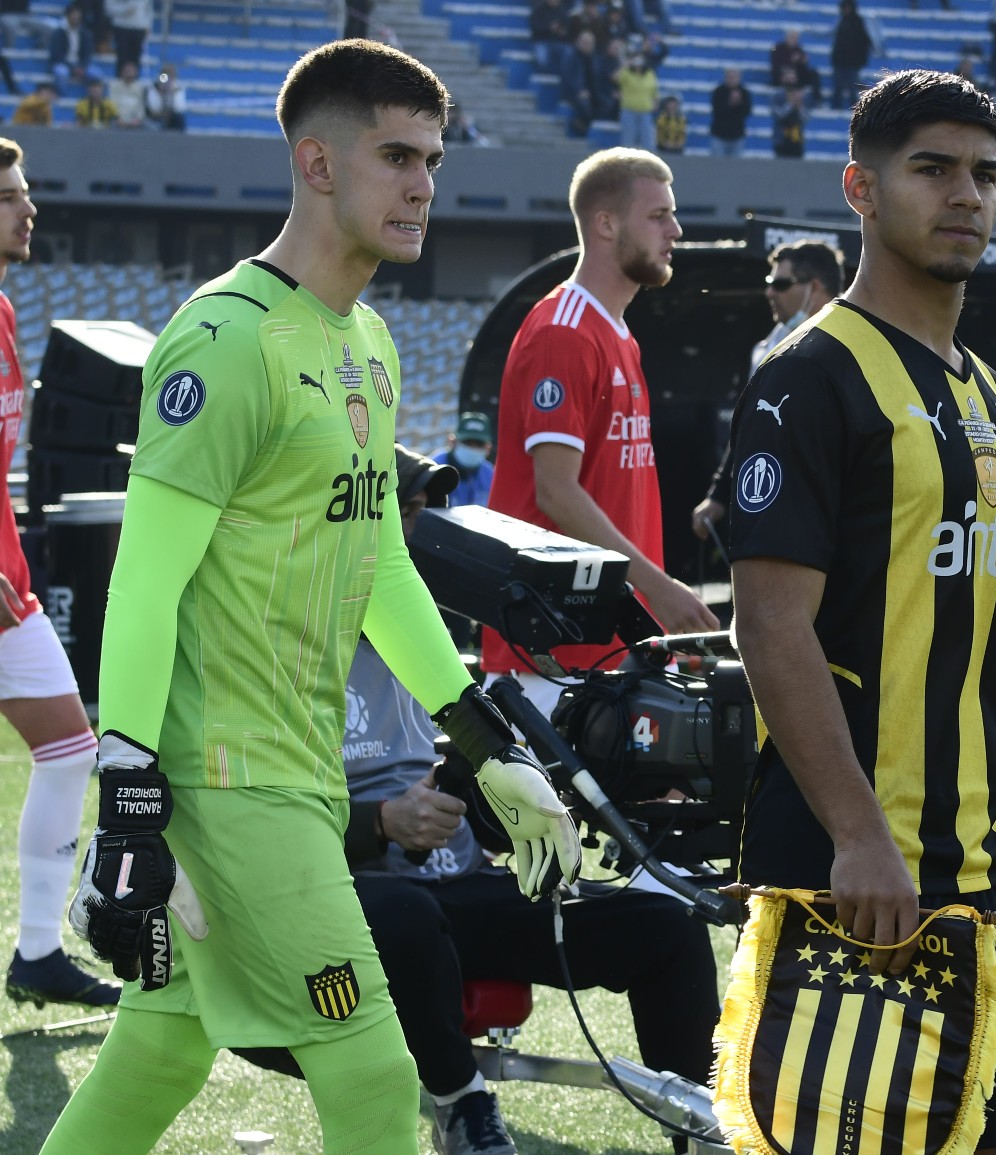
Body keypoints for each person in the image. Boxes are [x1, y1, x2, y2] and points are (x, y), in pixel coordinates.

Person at [41, 42, 577, 1155]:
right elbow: (146, 573)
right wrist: (130, 786)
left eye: (431, 157)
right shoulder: (225, 338)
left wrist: (483, 742)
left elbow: (380, 564)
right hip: (225, 781)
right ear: (316, 163)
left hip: (295, 773)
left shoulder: (369, 346)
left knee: (161, 1047)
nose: (423, 182)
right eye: (394, 155)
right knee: (377, 1074)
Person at [728, 68, 996, 1153]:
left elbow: (973, 633)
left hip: (981, 861)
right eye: (931, 169)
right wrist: (860, 835)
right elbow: (769, 628)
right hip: (856, 863)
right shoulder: (806, 375)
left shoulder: (981, 394)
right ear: (860, 190)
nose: (964, 194)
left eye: (984, 174)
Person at [250, 445, 716, 1155]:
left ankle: (709, 1129)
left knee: (666, 926)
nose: (413, 535)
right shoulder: (277, 645)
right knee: (405, 911)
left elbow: (481, 788)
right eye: (397, 515)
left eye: (414, 514)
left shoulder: (424, 635)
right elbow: (258, 823)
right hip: (350, 901)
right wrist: (382, 822)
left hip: (459, 889)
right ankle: (462, 1107)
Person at [482, 148, 717, 715]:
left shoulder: (618, 335)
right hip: (547, 658)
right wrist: (659, 589)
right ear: (605, 223)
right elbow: (556, 491)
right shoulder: (564, 332)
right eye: (658, 215)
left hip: (599, 652)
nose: (676, 231)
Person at [0, 138, 118, 1015]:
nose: (28, 208)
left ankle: (37, 950)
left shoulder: (3, 311)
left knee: (71, 747)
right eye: (10, 197)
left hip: (10, 590)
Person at [691, 241, 845, 542]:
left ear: (814, 288)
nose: (769, 292)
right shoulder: (765, 349)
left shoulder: (857, 344)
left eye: (780, 283)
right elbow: (747, 429)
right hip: (777, 510)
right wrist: (719, 496)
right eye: (769, 283)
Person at [433, 411, 495, 507]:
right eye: (467, 442)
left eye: (479, 444)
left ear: (488, 448)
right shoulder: (435, 467)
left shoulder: (490, 475)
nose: (472, 448)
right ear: (452, 442)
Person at [830, 0, 872, 110]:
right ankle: (836, 107)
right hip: (840, 61)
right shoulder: (841, 21)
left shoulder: (858, 22)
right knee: (838, 86)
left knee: (853, 87)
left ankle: (856, 109)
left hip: (853, 62)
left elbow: (864, 43)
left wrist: (860, 60)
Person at [614, 48, 658, 151]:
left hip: (645, 111)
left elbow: (654, 90)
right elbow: (615, 78)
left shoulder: (650, 73)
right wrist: (625, 65)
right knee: (628, 141)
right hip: (629, 110)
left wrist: (656, 102)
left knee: (648, 141)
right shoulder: (627, 73)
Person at [708, 66, 749, 156]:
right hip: (719, 135)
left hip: (737, 136)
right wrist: (730, 103)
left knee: (736, 167)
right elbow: (716, 111)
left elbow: (747, 111)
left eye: (734, 77)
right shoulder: (719, 92)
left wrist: (738, 103)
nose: (732, 80)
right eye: (729, 77)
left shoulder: (744, 93)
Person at [105, 0, 147, 73]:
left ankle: (134, 81)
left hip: (139, 27)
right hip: (121, 26)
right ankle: (120, 81)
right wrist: (125, 11)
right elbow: (109, 8)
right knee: (122, 58)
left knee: (136, 59)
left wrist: (148, 25)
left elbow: (147, 9)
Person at [143, 61, 185, 130]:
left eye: (171, 75)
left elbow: (180, 108)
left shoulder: (178, 87)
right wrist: (161, 93)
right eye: (166, 75)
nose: (169, 78)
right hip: (155, 118)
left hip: (170, 118)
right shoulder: (152, 88)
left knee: (179, 118)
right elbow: (153, 109)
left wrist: (171, 94)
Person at [108, 58, 145, 128]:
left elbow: (141, 106)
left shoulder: (139, 88)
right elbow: (111, 104)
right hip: (117, 120)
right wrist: (117, 118)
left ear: (136, 72)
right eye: (127, 71)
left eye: (131, 71)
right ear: (122, 72)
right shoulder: (114, 85)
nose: (129, 73)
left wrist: (138, 119)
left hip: (135, 121)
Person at [772, 84, 806, 158]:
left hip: (796, 137)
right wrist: (790, 105)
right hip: (782, 137)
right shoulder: (783, 104)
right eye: (793, 95)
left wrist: (799, 106)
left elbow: (805, 118)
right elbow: (779, 116)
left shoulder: (800, 107)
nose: (795, 97)